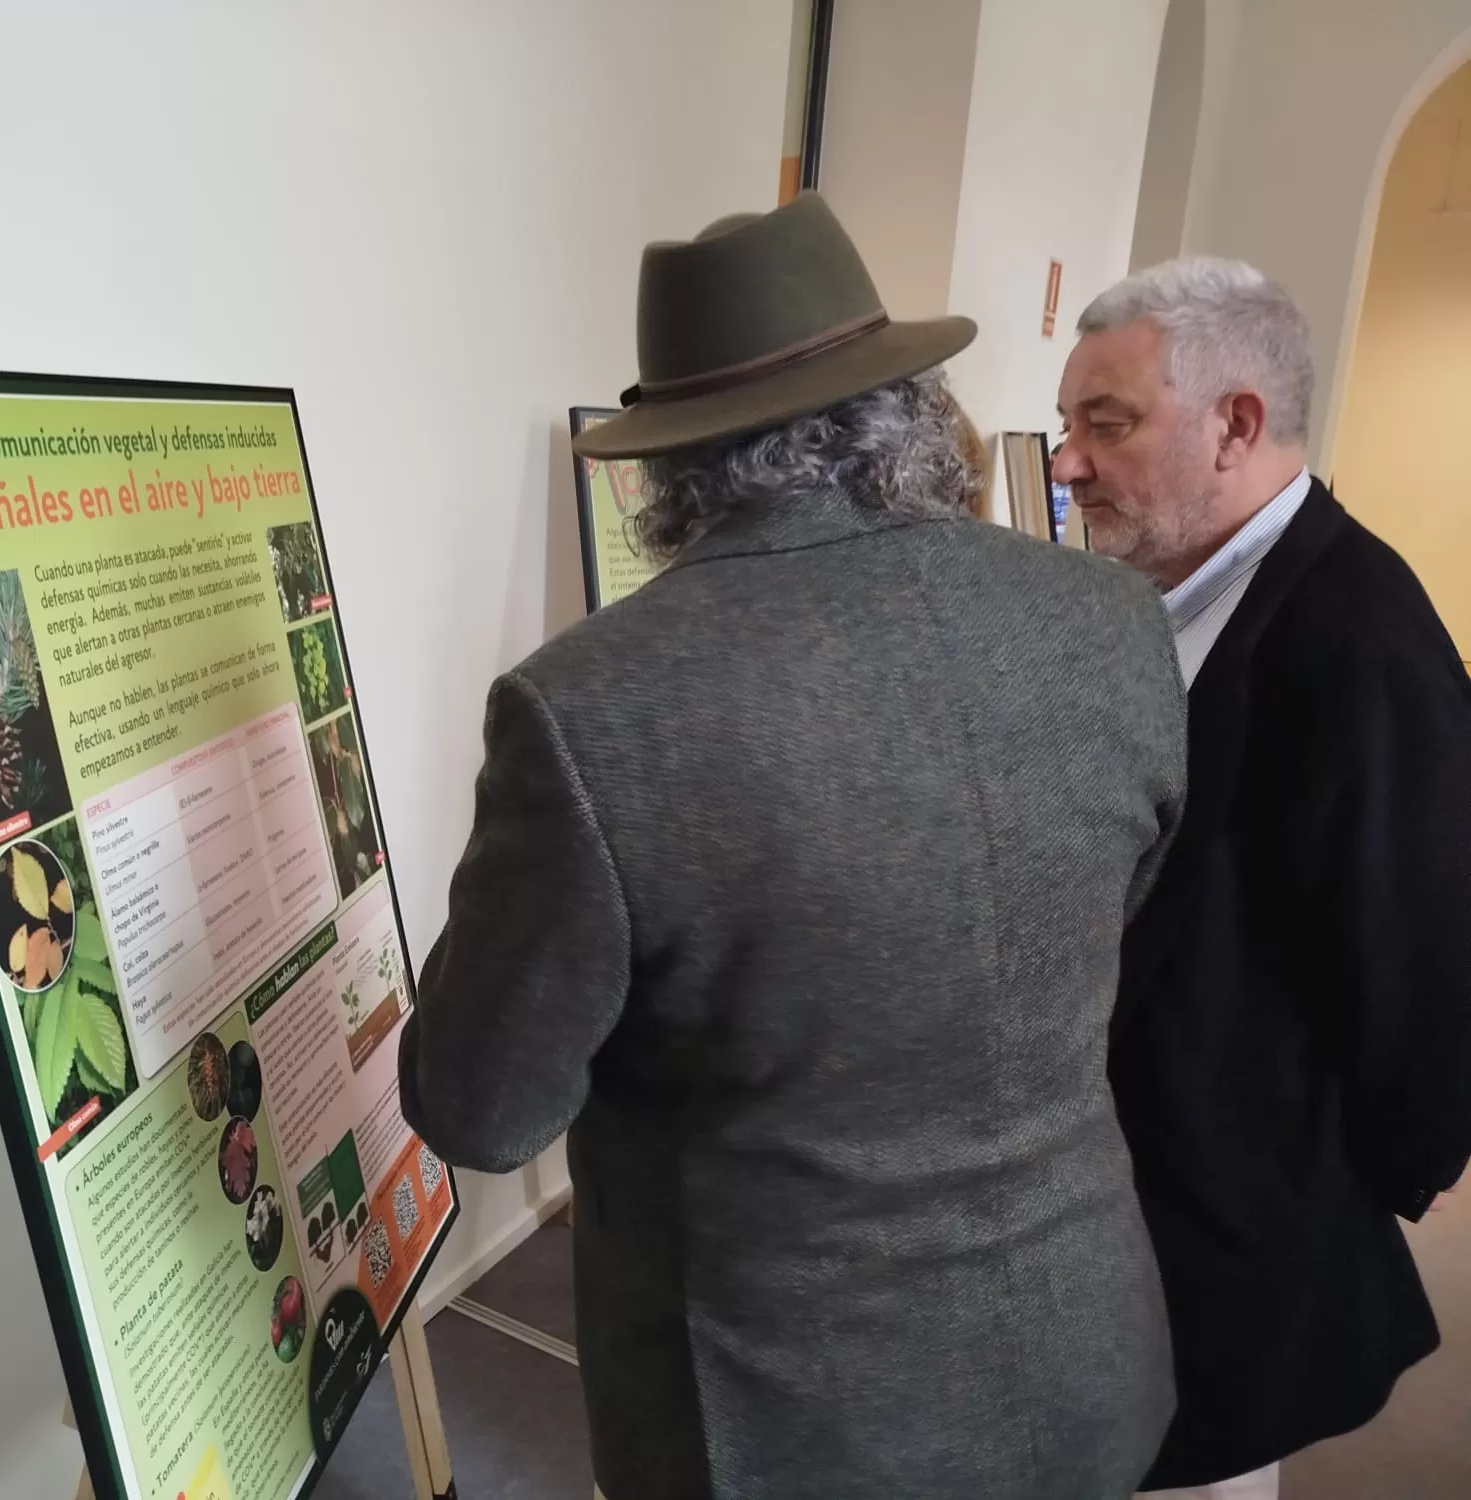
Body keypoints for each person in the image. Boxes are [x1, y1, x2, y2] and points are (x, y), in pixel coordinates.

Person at [398, 193, 1187, 1500]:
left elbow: (485, 1111)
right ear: (915, 409)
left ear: (670, 464)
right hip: (1083, 1358)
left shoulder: (594, 707)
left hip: (784, 1428)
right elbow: (1116, 909)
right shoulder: (1111, 624)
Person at [1052, 257, 1471, 1499]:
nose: (1065, 462)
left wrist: (1388, 1165)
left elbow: (1423, 955)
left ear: (1235, 423)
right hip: (1145, 1216)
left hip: (1233, 1223)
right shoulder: (1176, 598)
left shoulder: (1357, 641)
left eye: (1103, 424)